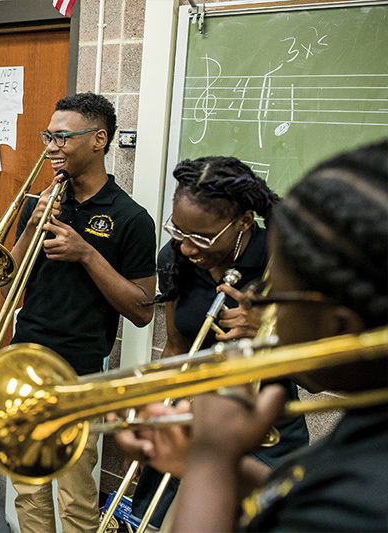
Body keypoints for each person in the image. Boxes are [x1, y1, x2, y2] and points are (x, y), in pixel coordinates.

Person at [163, 140, 388, 531]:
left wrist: (212, 462)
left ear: (337, 326)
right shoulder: (364, 432)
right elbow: (291, 497)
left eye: (277, 301)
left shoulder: (365, 495)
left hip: (260, 433)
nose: (185, 247)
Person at [115, 157, 309, 528]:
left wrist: (270, 335)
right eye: (179, 232)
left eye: (202, 237)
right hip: (189, 418)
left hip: (266, 428)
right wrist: (149, 419)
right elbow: (175, 347)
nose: (188, 248)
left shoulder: (283, 258)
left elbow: (320, 372)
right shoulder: (176, 258)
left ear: (244, 222)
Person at [4, 93, 157, 532]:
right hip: (25, 362)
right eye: (47, 136)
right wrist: (31, 225)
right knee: (29, 490)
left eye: (61, 137)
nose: (50, 146)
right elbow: (8, 291)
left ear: (99, 140)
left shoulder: (131, 218)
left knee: (76, 494)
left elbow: (142, 310)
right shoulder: (40, 203)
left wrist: (86, 253)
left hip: (82, 371)